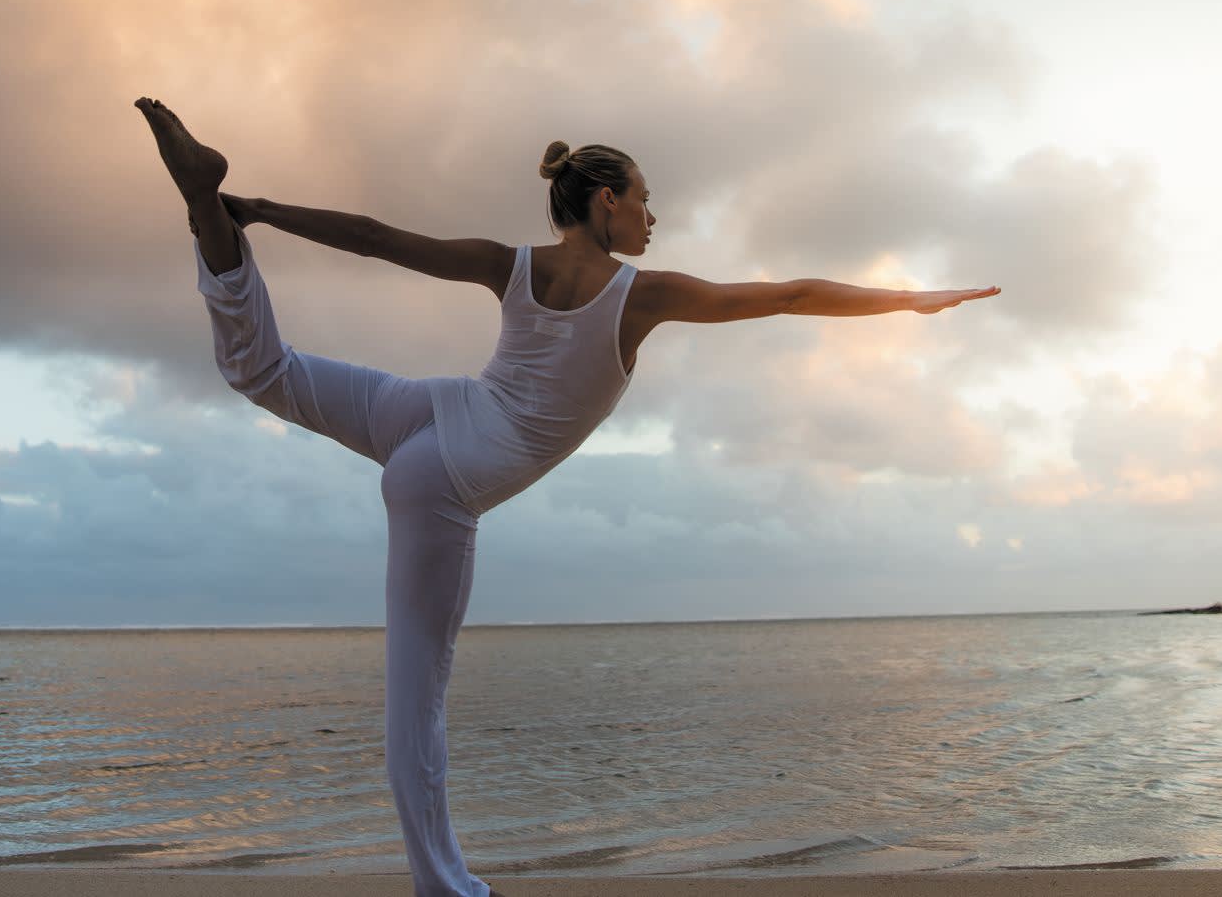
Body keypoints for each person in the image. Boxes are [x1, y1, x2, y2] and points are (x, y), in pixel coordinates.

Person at [134, 97, 999, 897]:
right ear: (605, 202)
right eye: (646, 201)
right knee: (418, 702)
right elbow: (790, 295)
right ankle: (448, 890)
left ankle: (203, 211)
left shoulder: (509, 264)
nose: (654, 218)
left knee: (262, 371)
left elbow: (370, 236)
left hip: (430, 411)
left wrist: (255, 210)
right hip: (446, 476)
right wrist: (909, 300)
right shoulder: (641, 296)